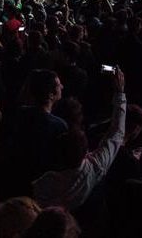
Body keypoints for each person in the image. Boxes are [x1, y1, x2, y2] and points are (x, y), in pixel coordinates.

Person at [33, 68, 126, 211]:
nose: (62, 86)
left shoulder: (43, 183)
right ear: (86, 153)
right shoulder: (94, 168)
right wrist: (120, 93)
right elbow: (116, 133)